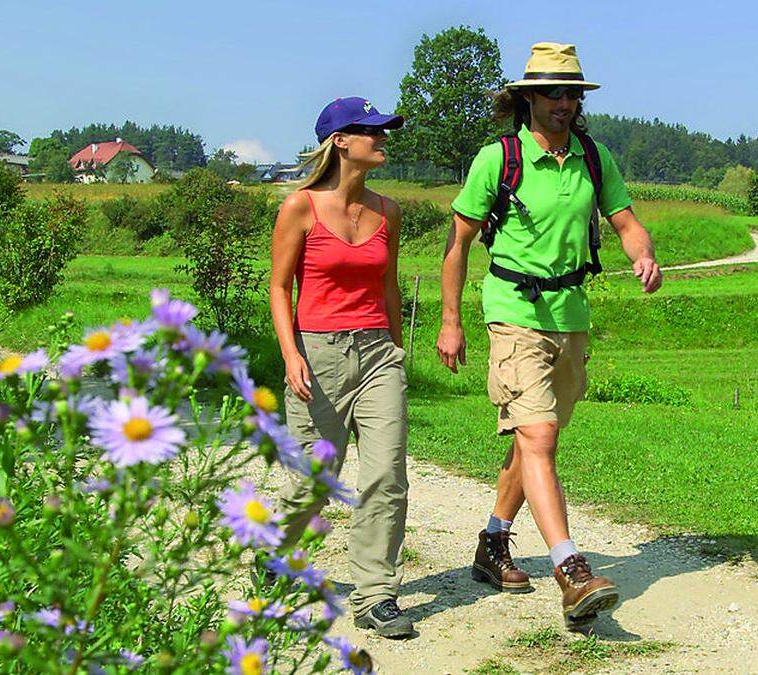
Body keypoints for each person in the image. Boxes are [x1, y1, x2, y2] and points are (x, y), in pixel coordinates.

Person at [436, 43, 663, 629]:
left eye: (573, 94)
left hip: (571, 314)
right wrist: (452, 320)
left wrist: (644, 256)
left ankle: (492, 543)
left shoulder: (593, 156)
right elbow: (458, 244)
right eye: (552, 94)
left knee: (530, 438)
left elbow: (626, 223)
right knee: (538, 435)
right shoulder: (499, 159)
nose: (564, 104)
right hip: (513, 310)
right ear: (527, 99)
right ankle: (571, 569)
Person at [268, 96, 415, 638]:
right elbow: (280, 288)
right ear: (340, 142)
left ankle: (376, 595)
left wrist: (398, 355)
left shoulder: (388, 212)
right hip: (318, 354)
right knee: (315, 479)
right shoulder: (300, 208)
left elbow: (389, 287)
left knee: (386, 473)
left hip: (378, 354)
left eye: (383, 130)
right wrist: (290, 355)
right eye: (370, 131)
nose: (382, 139)